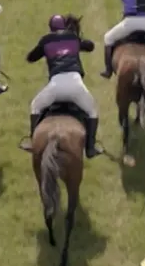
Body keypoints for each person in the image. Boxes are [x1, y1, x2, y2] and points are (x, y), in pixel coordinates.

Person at [22, 14, 104, 158]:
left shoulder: (46, 40)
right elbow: (90, 46)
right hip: (76, 85)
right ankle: (90, 148)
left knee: (35, 106)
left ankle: (33, 142)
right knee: (92, 111)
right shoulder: (73, 37)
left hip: (55, 86)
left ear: (51, 27)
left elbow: (30, 58)